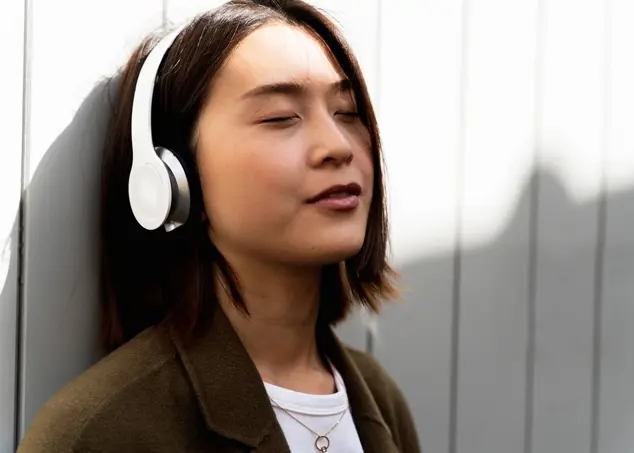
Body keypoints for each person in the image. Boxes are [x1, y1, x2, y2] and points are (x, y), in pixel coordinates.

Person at [17, 1, 420, 452]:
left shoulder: (380, 400)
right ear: (173, 179)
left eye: (347, 112)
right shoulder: (100, 430)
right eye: (280, 117)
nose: (338, 146)